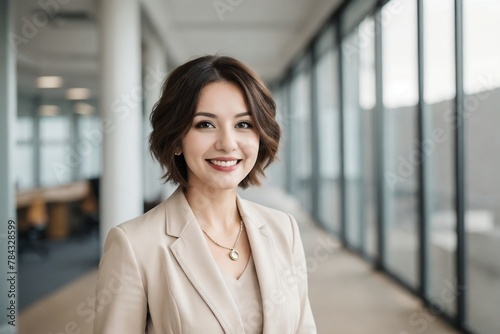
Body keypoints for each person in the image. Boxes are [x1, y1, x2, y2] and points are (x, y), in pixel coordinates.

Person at [94, 55, 317, 333]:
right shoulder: (135, 245)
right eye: (205, 124)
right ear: (176, 139)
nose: (227, 143)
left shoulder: (285, 230)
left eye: (244, 124)